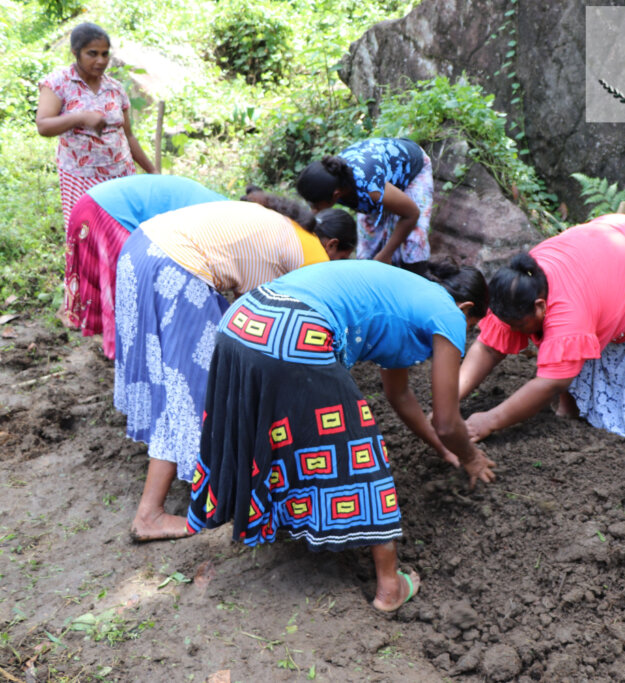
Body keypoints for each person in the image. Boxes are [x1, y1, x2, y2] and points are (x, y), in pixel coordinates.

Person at [185, 259, 496, 611]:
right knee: (359, 449)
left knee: (276, 429)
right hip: (294, 331)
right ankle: (390, 587)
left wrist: (442, 449)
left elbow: (400, 395)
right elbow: (446, 419)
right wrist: (470, 456)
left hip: (242, 320)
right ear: (467, 309)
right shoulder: (448, 312)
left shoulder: (403, 295)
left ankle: (271, 518)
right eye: (469, 328)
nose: (459, 336)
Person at [116, 198, 353, 542]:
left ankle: (194, 471)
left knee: (171, 376)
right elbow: (266, 334)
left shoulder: (288, 230)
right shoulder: (314, 261)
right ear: (332, 246)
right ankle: (149, 515)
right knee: (198, 385)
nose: (339, 267)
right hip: (176, 266)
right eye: (342, 260)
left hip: (141, 247)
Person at [458, 213, 625, 476]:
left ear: (540, 307)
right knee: (569, 347)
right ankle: (571, 409)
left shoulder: (568, 312)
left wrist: (489, 420)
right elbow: (488, 347)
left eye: (519, 327)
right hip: (614, 251)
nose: (513, 333)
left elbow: (551, 382)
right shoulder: (517, 286)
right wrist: (449, 399)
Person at [64, 174, 226, 358]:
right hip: (108, 213)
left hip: (89, 204)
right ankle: (132, 355)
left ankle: (128, 349)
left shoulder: (224, 208)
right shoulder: (225, 221)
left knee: (130, 289)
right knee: (135, 288)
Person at [37, 22, 155, 233]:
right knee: (88, 237)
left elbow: (128, 136)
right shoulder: (58, 83)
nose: (101, 61)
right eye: (92, 54)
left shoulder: (115, 88)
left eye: (105, 54)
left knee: (123, 235)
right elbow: (43, 126)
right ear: (76, 52)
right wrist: (80, 117)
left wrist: (152, 170)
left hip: (120, 174)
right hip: (81, 178)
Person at [296, 137, 432, 273]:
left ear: (336, 195)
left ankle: (418, 277)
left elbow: (412, 214)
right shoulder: (331, 178)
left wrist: (386, 254)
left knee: (412, 242)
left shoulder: (370, 188)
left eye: (315, 205)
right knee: (368, 248)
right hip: (380, 177)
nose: (313, 210)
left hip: (411, 169)